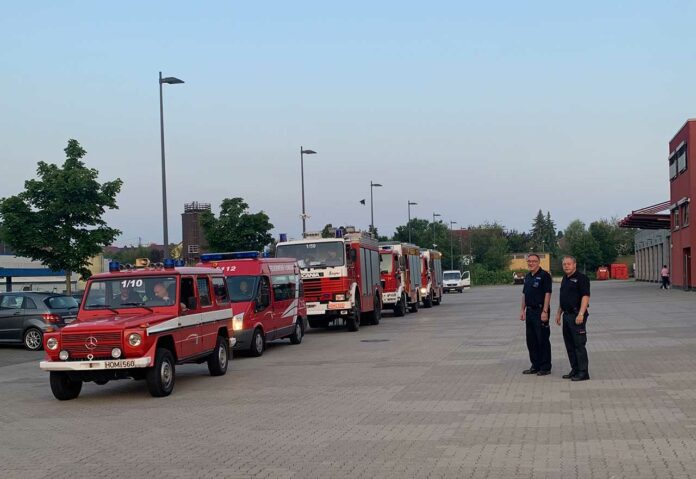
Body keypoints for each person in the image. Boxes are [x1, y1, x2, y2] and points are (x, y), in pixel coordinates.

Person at [555, 255, 591, 381]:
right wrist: (559, 313)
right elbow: (563, 298)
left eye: (569, 264)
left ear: (574, 265)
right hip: (567, 315)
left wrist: (581, 313)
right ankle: (575, 369)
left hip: (577, 316)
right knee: (569, 344)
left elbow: (585, 297)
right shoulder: (565, 278)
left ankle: (583, 372)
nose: (566, 266)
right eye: (564, 264)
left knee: (579, 344)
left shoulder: (582, 278)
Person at [519, 253, 553, 376]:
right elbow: (524, 294)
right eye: (529, 261)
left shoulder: (544, 276)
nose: (531, 263)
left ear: (539, 262)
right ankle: (535, 365)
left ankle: (545, 367)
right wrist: (522, 310)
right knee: (531, 340)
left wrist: (545, 311)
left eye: (533, 261)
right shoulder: (528, 276)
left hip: (540, 311)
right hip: (530, 311)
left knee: (542, 339)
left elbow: (547, 294)